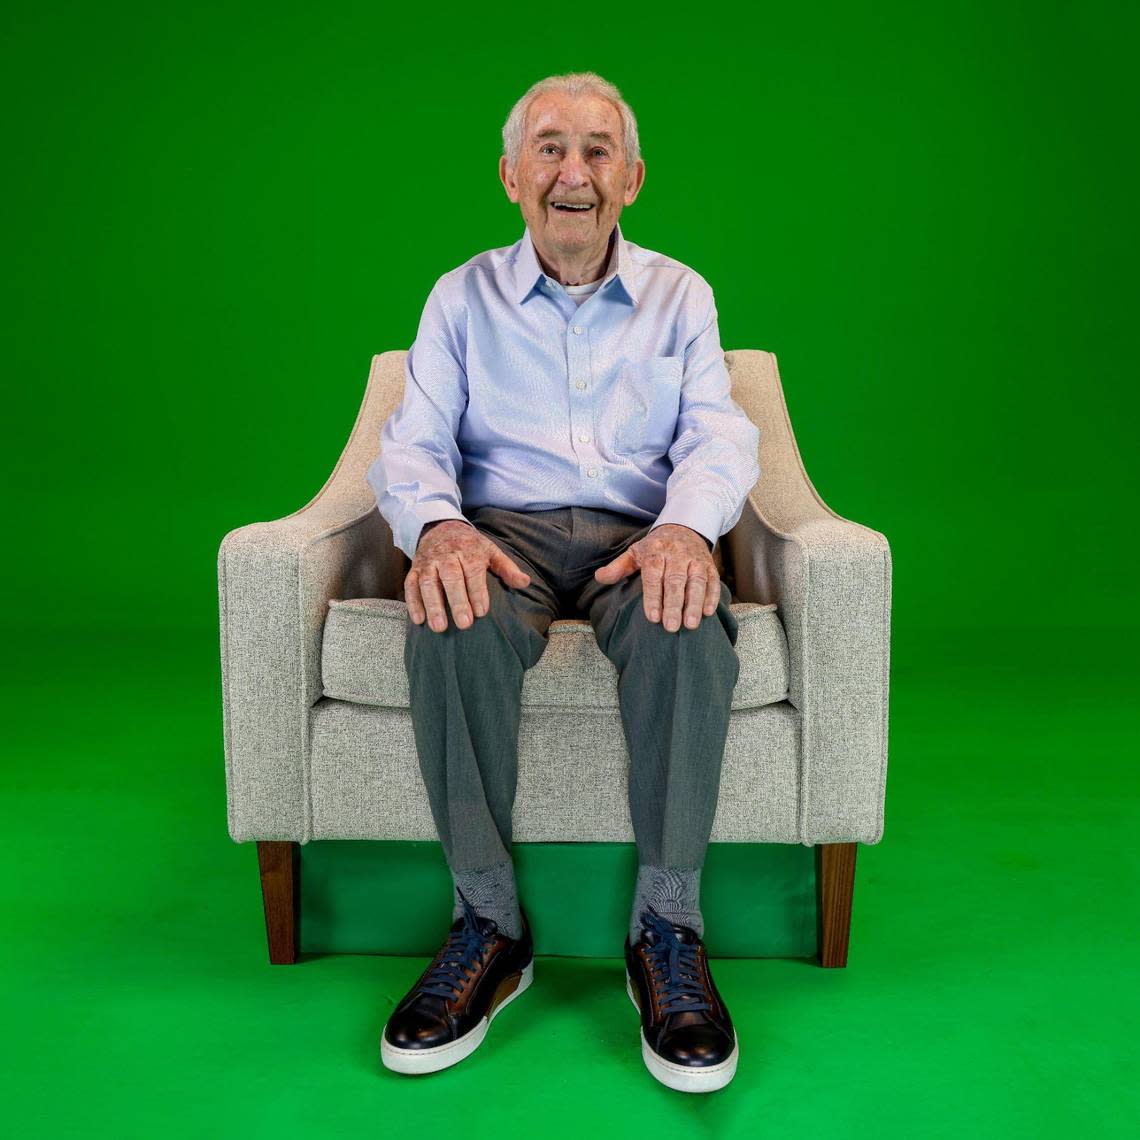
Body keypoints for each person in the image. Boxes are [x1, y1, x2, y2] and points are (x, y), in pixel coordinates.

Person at [367, 70, 760, 1094]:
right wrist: (441, 528)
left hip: (641, 531)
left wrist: (686, 528)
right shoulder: (459, 298)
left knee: (686, 622)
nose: (572, 172)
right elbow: (410, 444)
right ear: (510, 175)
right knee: (448, 620)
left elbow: (716, 433)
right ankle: (489, 926)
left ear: (631, 178)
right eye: (549, 147)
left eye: (596, 151)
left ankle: (667, 926)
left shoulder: (682, 296)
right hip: (508, 533)